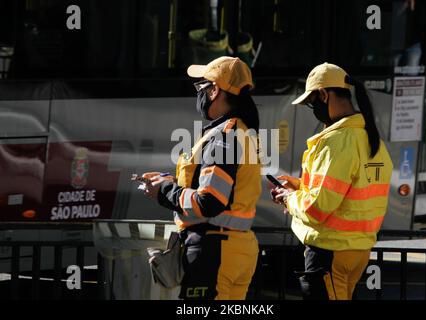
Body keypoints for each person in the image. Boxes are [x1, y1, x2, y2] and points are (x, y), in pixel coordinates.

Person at [142, 56, 261, 300]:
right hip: (237, 248)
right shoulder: (243, 132)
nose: (200, 94)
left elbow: (210, 202)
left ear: (215, 90)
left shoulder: (223, 136)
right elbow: (221, 190)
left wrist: (164, 192)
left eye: (202, 87)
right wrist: (171, 183)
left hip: (214, 250)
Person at [271, 62, 393, 300]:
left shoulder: (337, 142)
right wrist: (298, 187)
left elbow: (318, 207)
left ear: (324, 95)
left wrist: (288, 199)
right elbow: (349, 193)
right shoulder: (370, 138)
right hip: (357, 251)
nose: (312, 108)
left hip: (330, 251)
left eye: (311, 102)